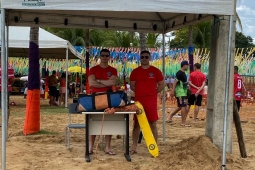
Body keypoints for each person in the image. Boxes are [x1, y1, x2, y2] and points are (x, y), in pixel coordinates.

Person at [129, 50, 165, 154]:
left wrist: (153, 92)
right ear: (140, 58)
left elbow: (162, 85)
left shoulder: (156, 71)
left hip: (151, 100)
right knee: (136, 124)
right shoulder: (135, 71)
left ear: (150, 58)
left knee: (153, 123)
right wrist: (141, 93)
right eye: (142, 57)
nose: (144, 59)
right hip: (139, 101)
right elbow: (132, 86)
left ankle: (155, 146)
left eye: (146, 57)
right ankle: (134, 147)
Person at [88, 48, 118, 155]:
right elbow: (92, 83)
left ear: (109, 57)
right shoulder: (93, 69)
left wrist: (99, 81)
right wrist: (106, 82)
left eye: (107, 55)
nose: (105, 57)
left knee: (108, 122)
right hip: (95, 97)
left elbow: (113, 82)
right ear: (100, 57)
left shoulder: (113, 70)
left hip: (109, 98)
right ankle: (90, 147)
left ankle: (107, 148)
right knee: (94, 121)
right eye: (103, 55)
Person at [166, 60, 190, 126]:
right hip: (180, 92)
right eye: (187, 65)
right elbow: (175, 82)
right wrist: (173, 91)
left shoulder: (183, 73)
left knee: (180, 106)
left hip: (183, 92)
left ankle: (170, 117)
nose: (188, 66)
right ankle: (183, 122)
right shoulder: (179, 73)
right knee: (183, 106)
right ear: (184, 65)